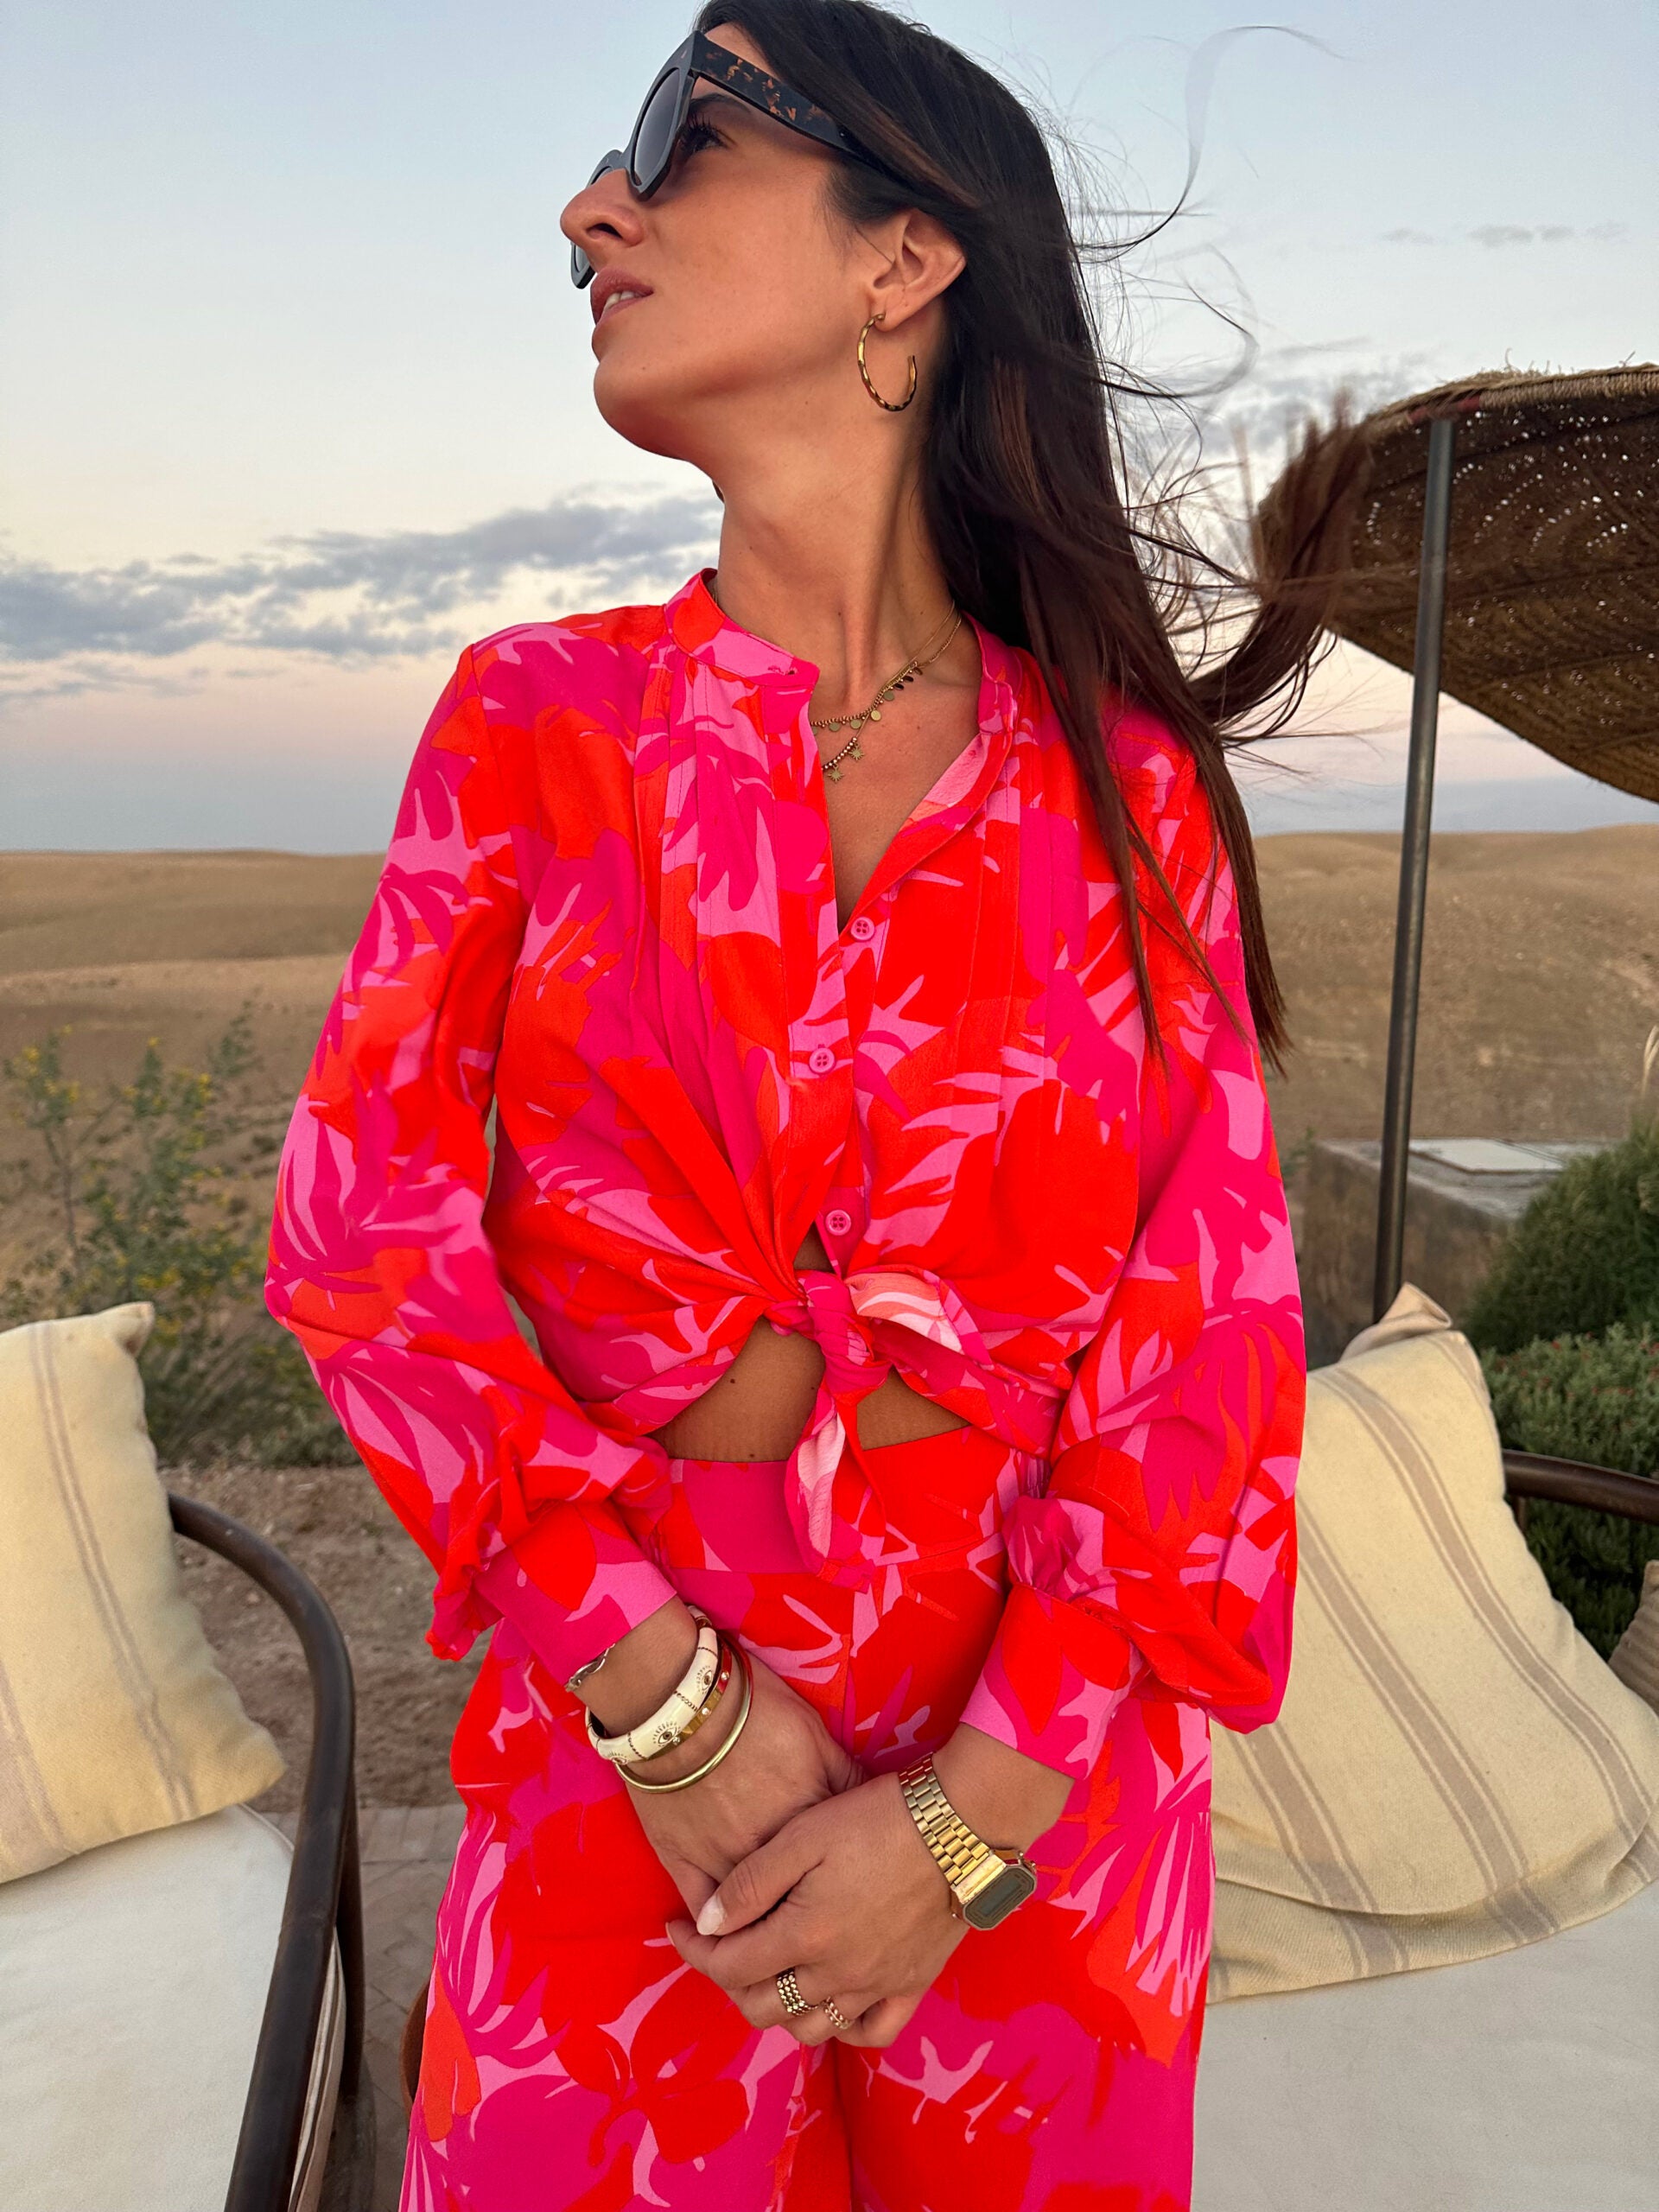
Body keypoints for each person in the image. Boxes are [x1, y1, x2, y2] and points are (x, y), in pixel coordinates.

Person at [267, 4, 1358, 2204]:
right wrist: (662, 1696)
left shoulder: (1127, 792)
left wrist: (968, 1820)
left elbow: (1208, 1360)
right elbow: (363, 1238)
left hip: (1043, 1806)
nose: (592, 209)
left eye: (679, 138)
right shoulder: (533, 726)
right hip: (624, 1758)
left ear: (905, 258)